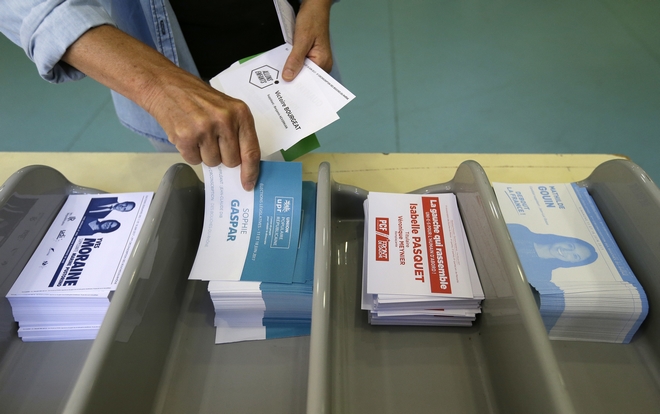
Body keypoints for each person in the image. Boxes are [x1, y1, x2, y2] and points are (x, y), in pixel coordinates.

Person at [0, 0, 335, 191]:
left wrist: (317, 4)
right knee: (206, 183)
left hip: (280, 48)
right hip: (162, 58)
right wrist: (157, 86)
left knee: (295, 175)